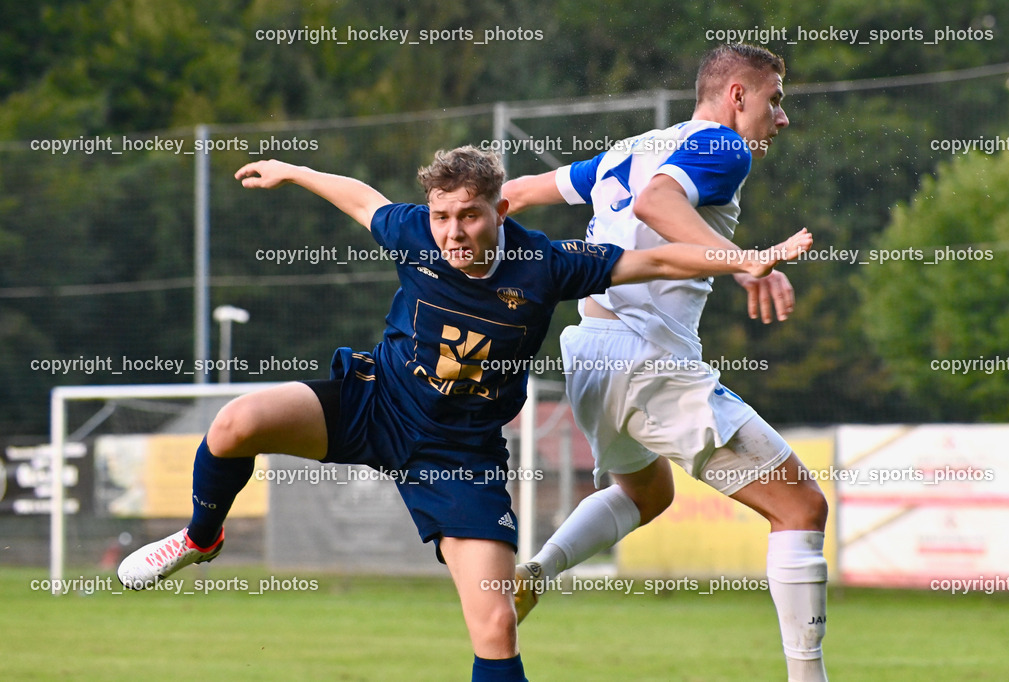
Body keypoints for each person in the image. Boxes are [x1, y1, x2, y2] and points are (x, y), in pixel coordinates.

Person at [116, 145, 810, 681]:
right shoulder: (415, 231)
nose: (451, 232)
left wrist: (741, 260)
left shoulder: (547, 264)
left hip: (460, 458)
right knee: (237, 423)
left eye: (468, 216)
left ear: (500, 210)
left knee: (496, 624)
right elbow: (362, 199)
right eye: (442, 216)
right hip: (375, 402)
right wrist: (294, 170)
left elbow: (654, 259)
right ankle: (201, 539)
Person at [502, 44, 829, 682]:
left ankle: (536, 571)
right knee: (802, 508)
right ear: (737, 95)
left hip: (590, 354)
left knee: (646, 491)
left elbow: (512, 193)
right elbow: (657, 203)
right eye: (776, 99)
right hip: (649, 360)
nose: (781, 118)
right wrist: (745, 261)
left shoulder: (632, 146)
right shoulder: (726, 146)